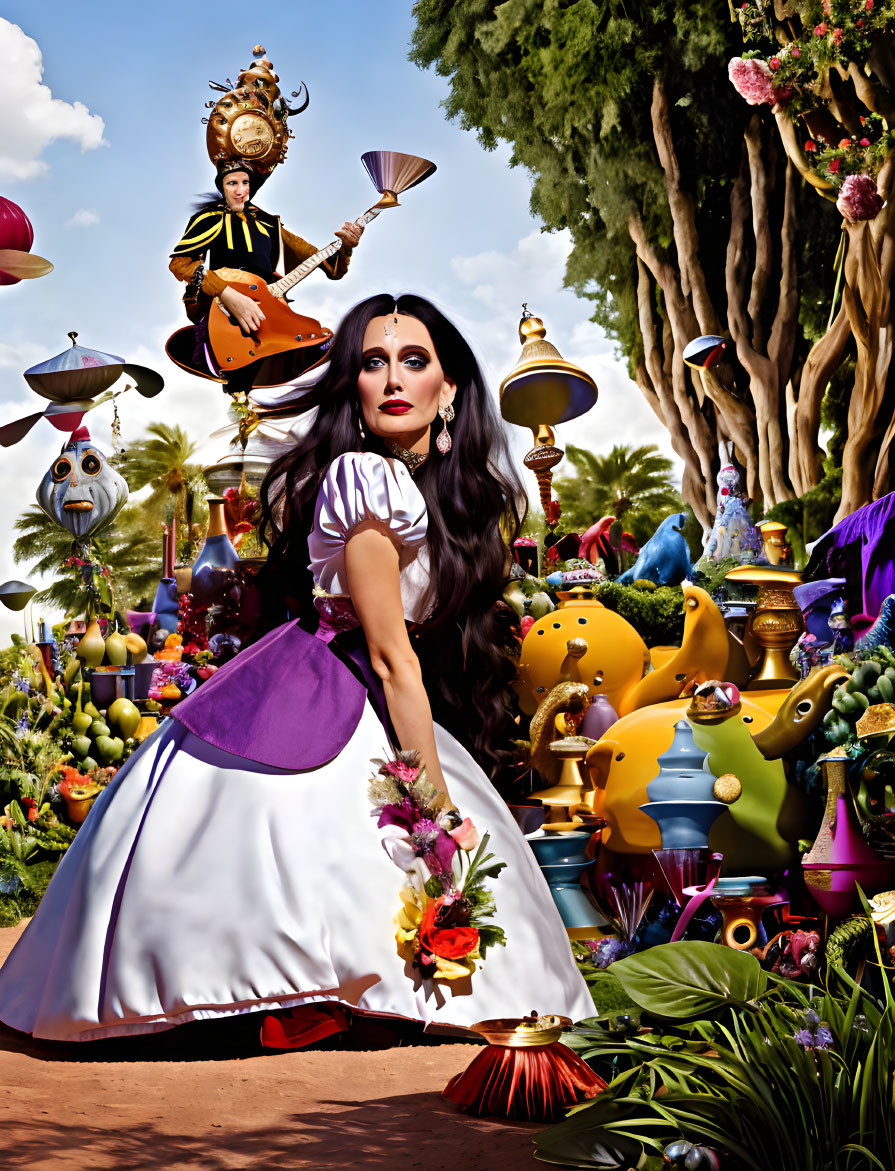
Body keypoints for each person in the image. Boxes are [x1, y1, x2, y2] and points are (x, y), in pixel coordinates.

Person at [0, 294, 594, 1043]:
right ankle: (293, 991)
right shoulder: (365, 479)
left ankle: (324, 990)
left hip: (351, 688)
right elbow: (389, 653)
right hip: (336, 685)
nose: (393, 379)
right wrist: (439, 810)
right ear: (351, 385)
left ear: (449, 391)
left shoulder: (417, 493)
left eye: (414, 361)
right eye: (373, 363)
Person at [167, 160, 364, 390]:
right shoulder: (210, 217)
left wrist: (347, 247)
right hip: (227, 313)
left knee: (327, 353)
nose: (240, 191)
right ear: (222, 187)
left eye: (245, 183)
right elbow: (180, 264)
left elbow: (334, 269)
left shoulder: (270, 224)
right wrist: (227, 293)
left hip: (272, 309)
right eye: (232, 183)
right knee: (241, 385)